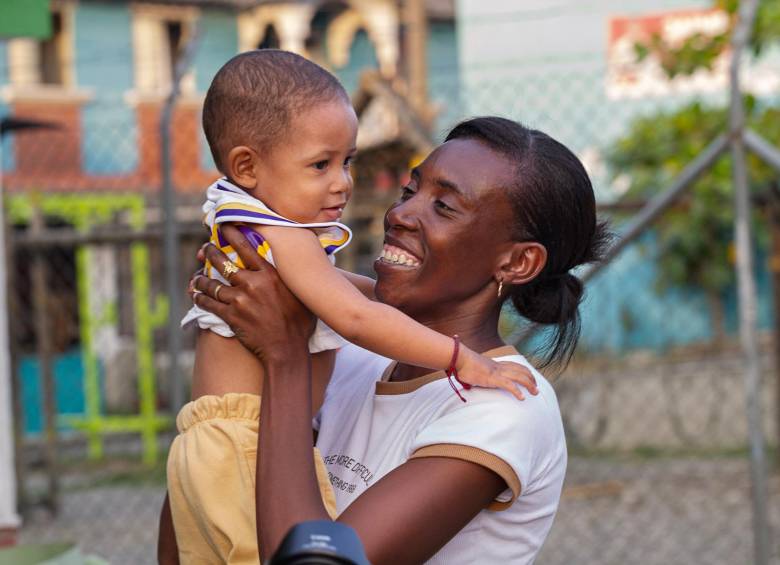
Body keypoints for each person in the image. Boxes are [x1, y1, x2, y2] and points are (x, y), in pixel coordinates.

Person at [160, 51, 536, 565]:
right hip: (244, 443)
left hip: (211, 444)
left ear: (521, 262)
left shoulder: (249, 223)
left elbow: (338, 291)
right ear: (246, 165)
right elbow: (355, 317)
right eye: (321, 165)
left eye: (347, 161)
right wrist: (461, 359)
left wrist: (366, 301)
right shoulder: (284, 237)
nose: (343, 182)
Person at [191, 116, 610, 564]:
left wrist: (284, 356)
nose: (400, 214)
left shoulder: (504, 407)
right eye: (411, 191)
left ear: (517, 262)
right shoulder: (349, 354)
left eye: (444, 207)